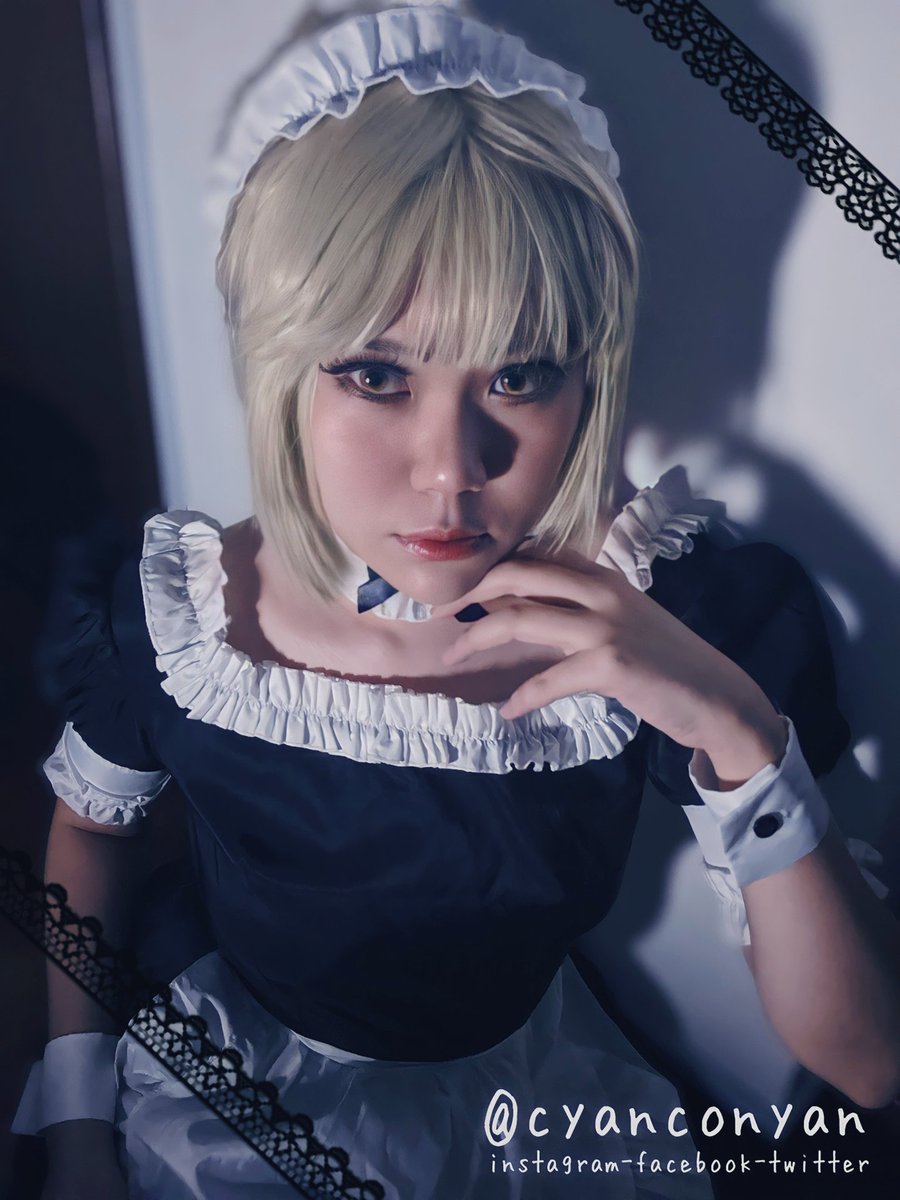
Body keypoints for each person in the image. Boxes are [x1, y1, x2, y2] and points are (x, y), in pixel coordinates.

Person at [11, 4, 900, 1198]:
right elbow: (93, 832)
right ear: (282, 366)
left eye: (520, 374)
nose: (451, 471)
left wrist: (735, 728)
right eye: (377, 374)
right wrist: (76, 1113)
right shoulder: (179, 620)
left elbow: (867, 1062)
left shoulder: (670, 615)